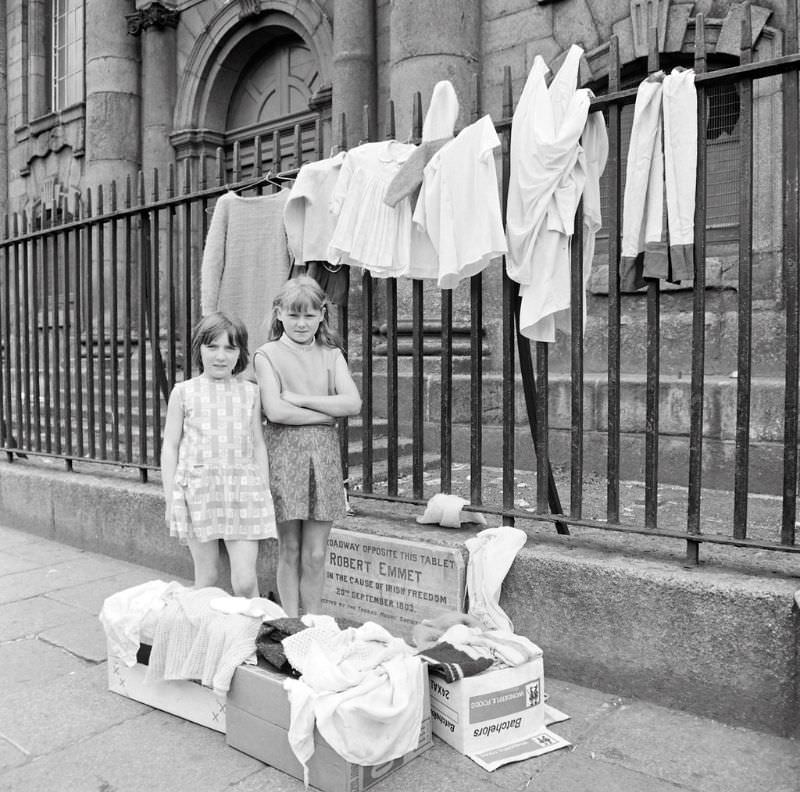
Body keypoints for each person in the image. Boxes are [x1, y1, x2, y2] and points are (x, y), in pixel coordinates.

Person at [254, 275, 361, 616]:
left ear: (321, 315)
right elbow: (275, 411)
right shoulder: (267, 354)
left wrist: (301, 398)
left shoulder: (331, 355)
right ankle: (290, 621)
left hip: (324, 458)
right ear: (279, 313)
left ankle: (313, 622)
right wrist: (324, 415)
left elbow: (351, 403)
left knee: (316, 552)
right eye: (294, 315)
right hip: (284, 456)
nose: (302, 323)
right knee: (290, 547)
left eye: (309, 315)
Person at [161, 312, 276, 598]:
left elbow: (258, 443)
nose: (221, 356)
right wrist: (170, 497)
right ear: (199, 348)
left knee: (245, 581)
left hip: (243, 490)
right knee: (208, 576)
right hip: (199, 490)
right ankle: (198, 632)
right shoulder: (183, 392)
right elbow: (170, 446)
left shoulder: (250, 392)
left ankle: (252, 634)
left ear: (241, 352)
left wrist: (263, 487)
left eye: (230, 348)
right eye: (212, 347)